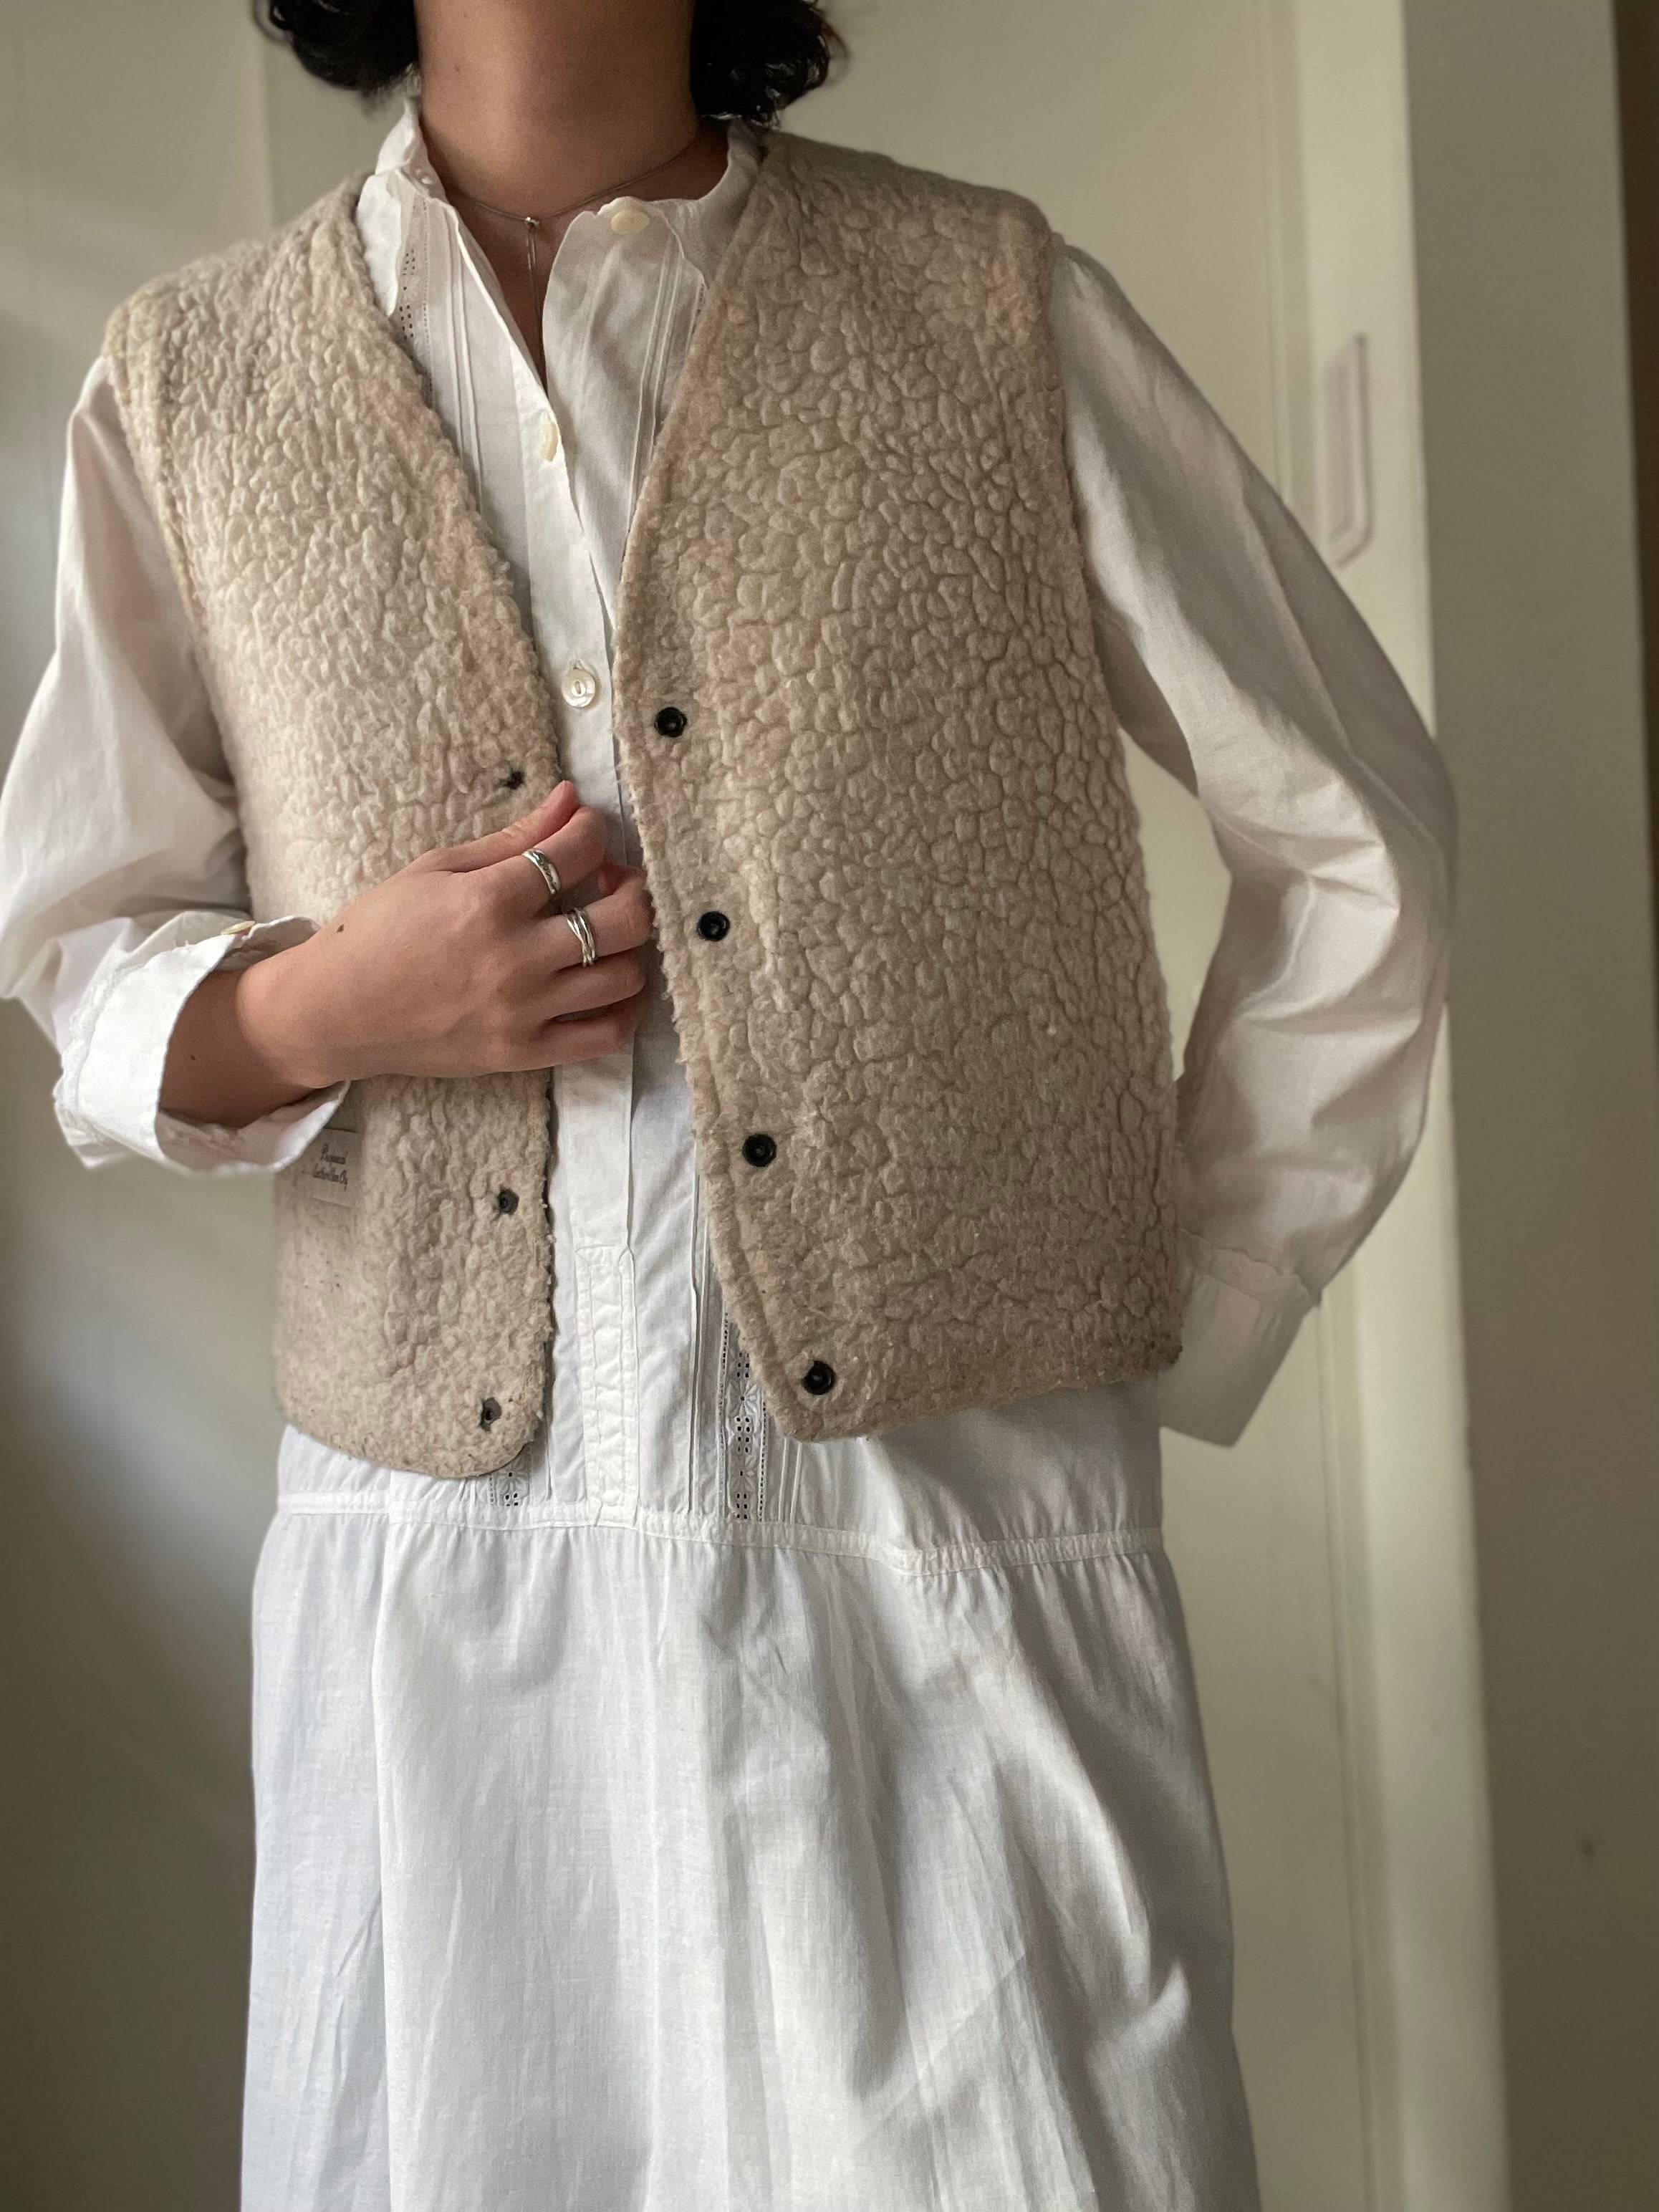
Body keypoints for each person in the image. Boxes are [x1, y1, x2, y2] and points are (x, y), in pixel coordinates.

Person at [0, 0, 1456, 2205]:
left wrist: (1197, 1296)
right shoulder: (194, 375)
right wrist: (326, 1004)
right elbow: (80, 952)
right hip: (444, 1609)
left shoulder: (986, 306)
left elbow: (1355, 838)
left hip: (950, 1560)